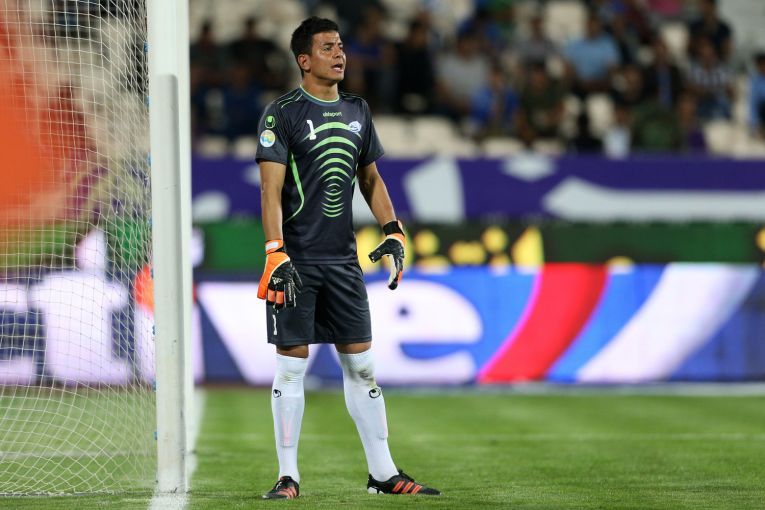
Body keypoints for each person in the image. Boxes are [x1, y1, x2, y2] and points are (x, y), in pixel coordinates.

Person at [254, 17, 440, 500]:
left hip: (343, 263)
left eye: (341, 45)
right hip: (295, 262)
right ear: (304, 60)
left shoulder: (358, 110)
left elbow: (371, 179)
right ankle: (288, 476)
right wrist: (275, 251)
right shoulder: (282, 114)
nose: (339, 54)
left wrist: (393, 228)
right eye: (327, 47)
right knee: (291, 368)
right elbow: (270, 191)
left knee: (362, 367)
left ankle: (383, 474)